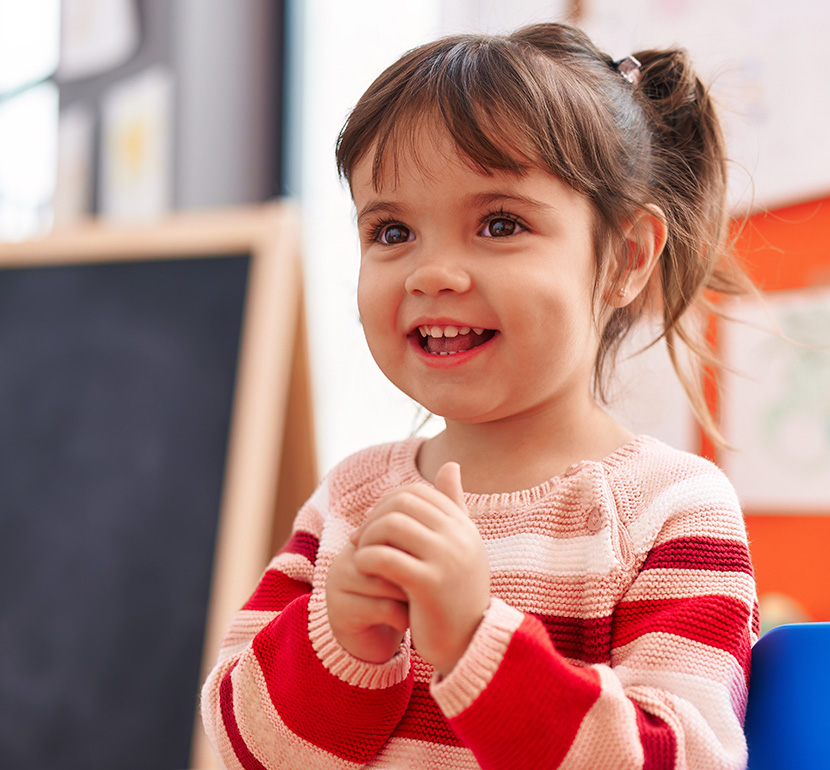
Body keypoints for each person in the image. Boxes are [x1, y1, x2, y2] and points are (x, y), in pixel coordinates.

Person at [202, 22, 759, 770]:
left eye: (500, 224)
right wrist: (336, 639)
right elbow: (242, 745)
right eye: (392, 230)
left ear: (627, 257)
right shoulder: (349, 501)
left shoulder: (672, 509)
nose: (433, 273)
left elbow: (682, 757)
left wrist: (477, 643)